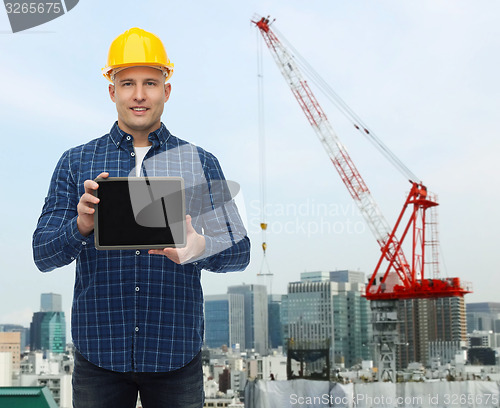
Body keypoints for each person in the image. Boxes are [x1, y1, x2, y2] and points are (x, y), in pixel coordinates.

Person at [33, 27, 250, 408]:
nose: (138, 94)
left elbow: (241, 252)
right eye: (127, 82)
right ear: (111, 90)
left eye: (150, 82)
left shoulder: (199, 162)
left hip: (175, 357)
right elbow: (43, 254)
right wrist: (81, 226)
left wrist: (201, 246)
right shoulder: (76, 162)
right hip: (98, 355)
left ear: (166, 90)